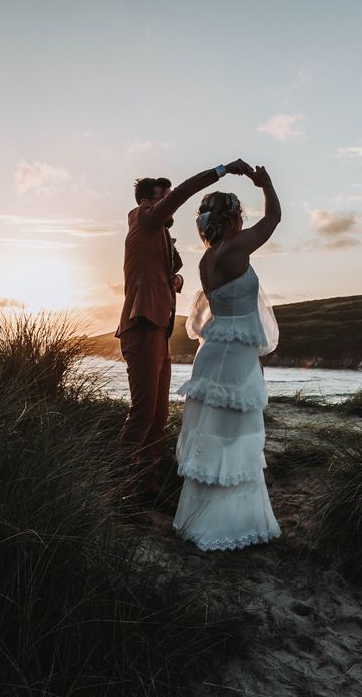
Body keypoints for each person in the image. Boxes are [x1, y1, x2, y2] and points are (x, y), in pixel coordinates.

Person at [115, 160, 253, 503]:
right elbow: (183, 193)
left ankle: (147, 490)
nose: (170, 201)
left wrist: (172, 278)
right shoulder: (144, 219)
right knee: (143, 413)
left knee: (158, 417)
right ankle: (117, 491)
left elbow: (158, 268)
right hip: (142, 327)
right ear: (147, 201)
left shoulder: (156, 234)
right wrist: (220, 171)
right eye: (163, 196)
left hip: (158, 332)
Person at [173, 166, 281, 550]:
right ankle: (224, 526)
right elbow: (273, 219)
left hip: (214, 349)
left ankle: (201, 519)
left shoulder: (205, 260)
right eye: (239, 217)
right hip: (234, 356)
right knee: (235, 436)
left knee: (211, 435)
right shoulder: (235, 249)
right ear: (233, 220)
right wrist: (265, 184)